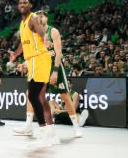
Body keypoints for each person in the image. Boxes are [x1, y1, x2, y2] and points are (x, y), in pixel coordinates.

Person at [14, 9, 84, 138]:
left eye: (42, 16)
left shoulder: (53, 31)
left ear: (46, 18)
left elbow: (59, 53)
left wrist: (55, 71)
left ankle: (76, 128)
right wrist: (25, 63)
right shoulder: (34, 33)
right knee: (30, 94)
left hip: (54, 66)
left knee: (65, 96)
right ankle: (28, 126)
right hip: (41, 66)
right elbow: (33, 52)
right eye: (37, 16)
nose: (40, 18)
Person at [9, 0, 57, 146]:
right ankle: (50, 132)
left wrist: (45, 39)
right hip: (33, 61)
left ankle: (43, 133)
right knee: (39, 97)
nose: (22, 4)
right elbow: (23, 44)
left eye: (25, 2)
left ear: (30, 5)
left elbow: (41, 31)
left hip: (39, 59)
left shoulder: (33, 18)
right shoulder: (22, 23)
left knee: (32, 96)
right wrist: (15, 55)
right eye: (20, 3)